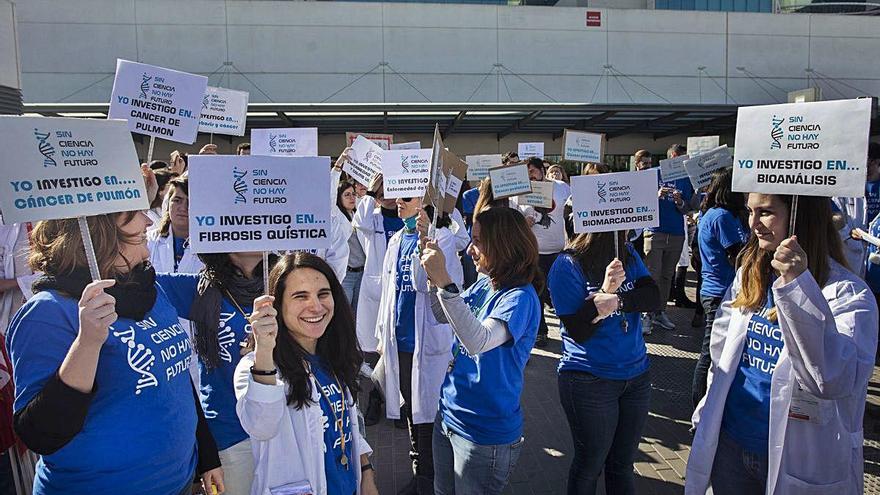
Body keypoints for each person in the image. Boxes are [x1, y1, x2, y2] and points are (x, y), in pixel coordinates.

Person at [6, 211, 223, 495]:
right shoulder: (48, 311)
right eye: (133, 215)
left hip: (178, 483)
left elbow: (174, 377)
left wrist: (206, 457)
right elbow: (40, 434)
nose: (148, 221)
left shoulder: (148, 287)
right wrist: (87, 344)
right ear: (101, 235)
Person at [687, 194, 878, 494]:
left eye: (766, 212)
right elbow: (721, 353)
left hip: (799, 457)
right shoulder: (749, 276)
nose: (753, 224)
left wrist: (798, 285)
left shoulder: (850, 295)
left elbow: (830, 379)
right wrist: (707, 407)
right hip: (732, 444)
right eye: (750, 211)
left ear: (800, 218)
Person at [418, 207, 541, 495]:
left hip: (483, 434)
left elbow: (478, 340)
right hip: (449, 416)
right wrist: (432, 276)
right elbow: (442, 314)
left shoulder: (519, 298)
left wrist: (445, 281)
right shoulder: (487, 282)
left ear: (503, 244)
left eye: (478, 242)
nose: (471, 250)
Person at [234, 253, 378, 495]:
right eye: (300, 296)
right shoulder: (256, 367)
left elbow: (345, 423)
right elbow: (262, 426)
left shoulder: (333, 356)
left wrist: (366, 473)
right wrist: (265, 350)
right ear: (277, 305)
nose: (316, 306)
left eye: (323, 294)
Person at [548, 228, 660, 495]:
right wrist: (604, 291)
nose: (631, 229)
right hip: (589, 379)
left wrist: (618, 300)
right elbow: (578, 330)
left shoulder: (628, 252)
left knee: (622, 465)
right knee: (590, 464)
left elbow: (653, 297)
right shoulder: (567, 264)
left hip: (636, 376)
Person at [158, 250, 275, 495]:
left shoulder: (287, 282)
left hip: (283, 429)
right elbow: (136, 282)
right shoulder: (200, 289)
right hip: (229, 435)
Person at [376, 198, 462, 495]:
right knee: (412, 411)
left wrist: (425, 241)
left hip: (426, 343)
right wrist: (380, 332)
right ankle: (421, 471)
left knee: (429, 415)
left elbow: (425, 284)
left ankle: (430, 478)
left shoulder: (443, 238)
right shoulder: (397, 238)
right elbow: (388, 290)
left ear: (424, 202)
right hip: (399, 340)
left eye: (407, 195)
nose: (397, 200)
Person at [691, 168, 748, 408]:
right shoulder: (722, 216)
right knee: (710, 353)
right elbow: (736, 255)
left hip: (715, 288)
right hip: (719, 291)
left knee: (714, 350)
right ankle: (699, 407)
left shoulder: (711, 213)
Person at [351, 173, 404, 426]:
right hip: (377, 292)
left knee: (398, 349)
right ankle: (376, 397)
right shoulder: (372, 218)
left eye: (389, 191)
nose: (386, 198)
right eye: (380, 194)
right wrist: (370, 194)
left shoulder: (410, 219)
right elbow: (358, 220)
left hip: (402, 292)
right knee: (377, 351)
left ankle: (398, 399)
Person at [515, 157, 568, 348]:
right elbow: (514, 216)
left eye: (533, 171)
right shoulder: (520, 190)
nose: (531, 176)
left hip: (558, 251)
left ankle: (568, 330)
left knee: (560, 293)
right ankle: (540, 331)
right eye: (527, 173)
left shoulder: (561, 187)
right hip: (533, 251)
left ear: (542, 171)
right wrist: (525, 220)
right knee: (536, 294)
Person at [643, 144, 695, 333]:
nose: (687, 162)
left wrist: (680, 201)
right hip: (655, 231)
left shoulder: (686, 179)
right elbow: (641, 202)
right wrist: (655, 196)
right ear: (674, 157)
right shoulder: (653, 174)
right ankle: (647, 314)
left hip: (676, 233)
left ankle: (660, 312)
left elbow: (688, 208)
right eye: (684, 158)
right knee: (652, 274)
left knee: (667, 276)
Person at [147, 177, 203, 275]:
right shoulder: (150, 241)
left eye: (190, 202)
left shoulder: (210, 245)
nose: (183, 208)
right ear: (168, 204)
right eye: (177, 200)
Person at [337, 181, 366, 314]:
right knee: (344, 315)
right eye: (347, 195)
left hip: (361, 274)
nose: (352, 198)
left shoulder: (358, 216)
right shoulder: (337, 220)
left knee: (358, 315)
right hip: (346, 276)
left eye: (353, 194)